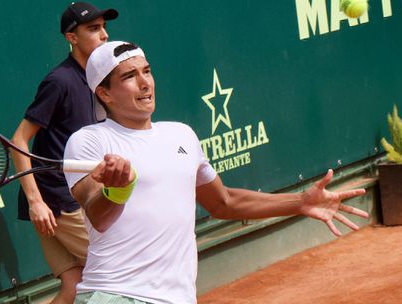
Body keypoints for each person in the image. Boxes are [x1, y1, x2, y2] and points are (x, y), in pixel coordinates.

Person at [63, 41, 370, 304]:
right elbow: (98, 216)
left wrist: (300, 202)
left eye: (147, 71)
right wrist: (117, 190)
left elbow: (222, 202)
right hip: (116, 295)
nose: (145, 83)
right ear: (104, 94)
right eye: (129, 76)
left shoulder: (181, 135)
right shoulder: (90, 141)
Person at [10, 3, 118, 304]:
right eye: (93, 29)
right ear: (71, 37)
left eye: (104, 27)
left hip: (69, 197)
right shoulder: (60, 81)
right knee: (120, 271)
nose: (104, 35)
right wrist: (36, 202)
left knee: (73, 286)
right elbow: (18, 140)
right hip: (60, 203)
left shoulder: (98, 80)